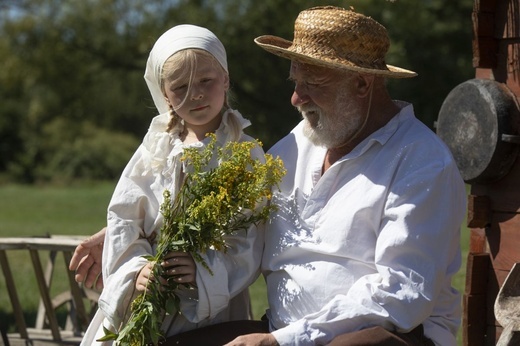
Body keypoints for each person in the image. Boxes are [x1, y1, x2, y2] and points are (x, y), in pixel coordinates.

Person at [72, 6, 467, 346]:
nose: (297, 99)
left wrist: (282, 340)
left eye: (313, 84)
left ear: (363, 83)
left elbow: (401, 296)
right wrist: (133, 232)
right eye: (296, 82)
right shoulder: (302, 143)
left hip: (384, 337)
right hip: (283, 333)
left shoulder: (422, 161)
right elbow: (231, 199)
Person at [77, 24, 266, 345]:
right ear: (165, 94)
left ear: (226, 79)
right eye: (180, 87)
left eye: (206, 81)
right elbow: (125, 218)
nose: (196, 94)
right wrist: (136, 270)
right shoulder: (154, 148)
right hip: (145, 296)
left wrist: (204, 270)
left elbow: (251, 234)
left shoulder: (245, 152)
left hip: (209, 307)